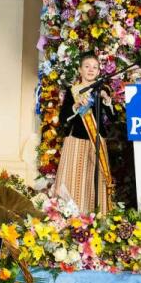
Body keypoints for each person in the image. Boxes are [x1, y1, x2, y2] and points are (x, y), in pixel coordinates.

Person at [55, 54, 115, 214]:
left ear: (99, 71)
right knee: (74, 179)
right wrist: (75, 106)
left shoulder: (102, 90)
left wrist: (107, 100)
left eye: (95, 67)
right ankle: (71, 217)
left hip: (97, 140)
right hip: (76, 141)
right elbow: (62, 118)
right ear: (80, 70)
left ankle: (98, 217)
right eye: (87, 66)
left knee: (97, 180)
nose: (91, 70)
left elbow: (113, 118)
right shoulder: (72, 91)